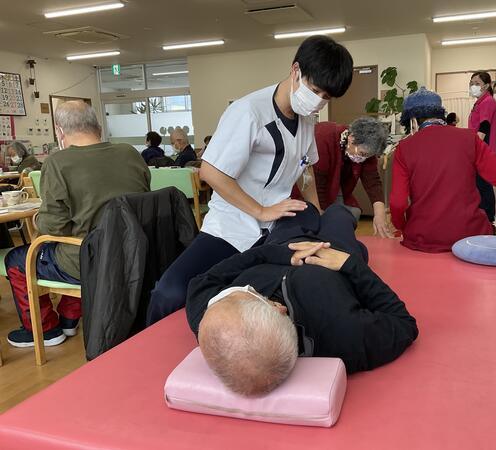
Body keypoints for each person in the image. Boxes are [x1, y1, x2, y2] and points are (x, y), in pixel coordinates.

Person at [147, 35, 354, 325]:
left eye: (327, 98)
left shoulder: (307, 120)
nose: (319, 102)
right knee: (170, 291)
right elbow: (211, 171)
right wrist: (260, 210)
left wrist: (318, 213)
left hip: (277, 229)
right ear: (295, 71)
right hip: (232, 226)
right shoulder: (249, 112)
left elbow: (306, 169)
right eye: (315, 90)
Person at [186, 204, 418, 396]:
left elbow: (203, 280)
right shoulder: (345, 335)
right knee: (338, 213)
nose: (239, 288)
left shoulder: (207, 317)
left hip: (283, 243)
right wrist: (350, 264)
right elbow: (404, 323)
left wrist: (281, 252)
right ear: (279, 309)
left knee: (299, 208)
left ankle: (314, 212)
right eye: (249, 291)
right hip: (335, 249)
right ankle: (348, 215)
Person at [5, 100, 150, 348]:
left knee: (18, 258)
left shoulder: (57, 162)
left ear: (60, 131)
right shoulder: (130, 153)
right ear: (98, 127)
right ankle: (70, 319)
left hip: (88, 258)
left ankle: (46, 330)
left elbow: (53, 227)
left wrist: (38, 217)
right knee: (77, 243)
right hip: (134, 252)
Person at [390, 87, 496, 253]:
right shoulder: (469, 138)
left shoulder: (405, 148)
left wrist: (403, 226)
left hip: (422, 238)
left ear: (413, 121)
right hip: (471, 236)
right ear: (440, 114)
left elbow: (397, 203)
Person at [292, 117, 393, 237]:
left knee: (351, 214)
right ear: (351, 138)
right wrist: (320, 216)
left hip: (334, 186)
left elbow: (373, 182)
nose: (363, 158)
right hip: (307, 184)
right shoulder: (324, 137)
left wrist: (379, 214)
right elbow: (316, 184)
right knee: (322, 222)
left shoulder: (365, 148)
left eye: (369, 156)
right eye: (362, 154)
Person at [468, 71, 496, 226]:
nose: (473, 86)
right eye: (471, 83)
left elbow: (484, 126)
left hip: (482, 150)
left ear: (486, 85)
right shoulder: (480, 102)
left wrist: (474, 147)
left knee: (484, 185)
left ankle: (490, 218)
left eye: (477, 83)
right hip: (479, 149)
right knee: (480, 185)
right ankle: (484, 217)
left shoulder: (487, 101)